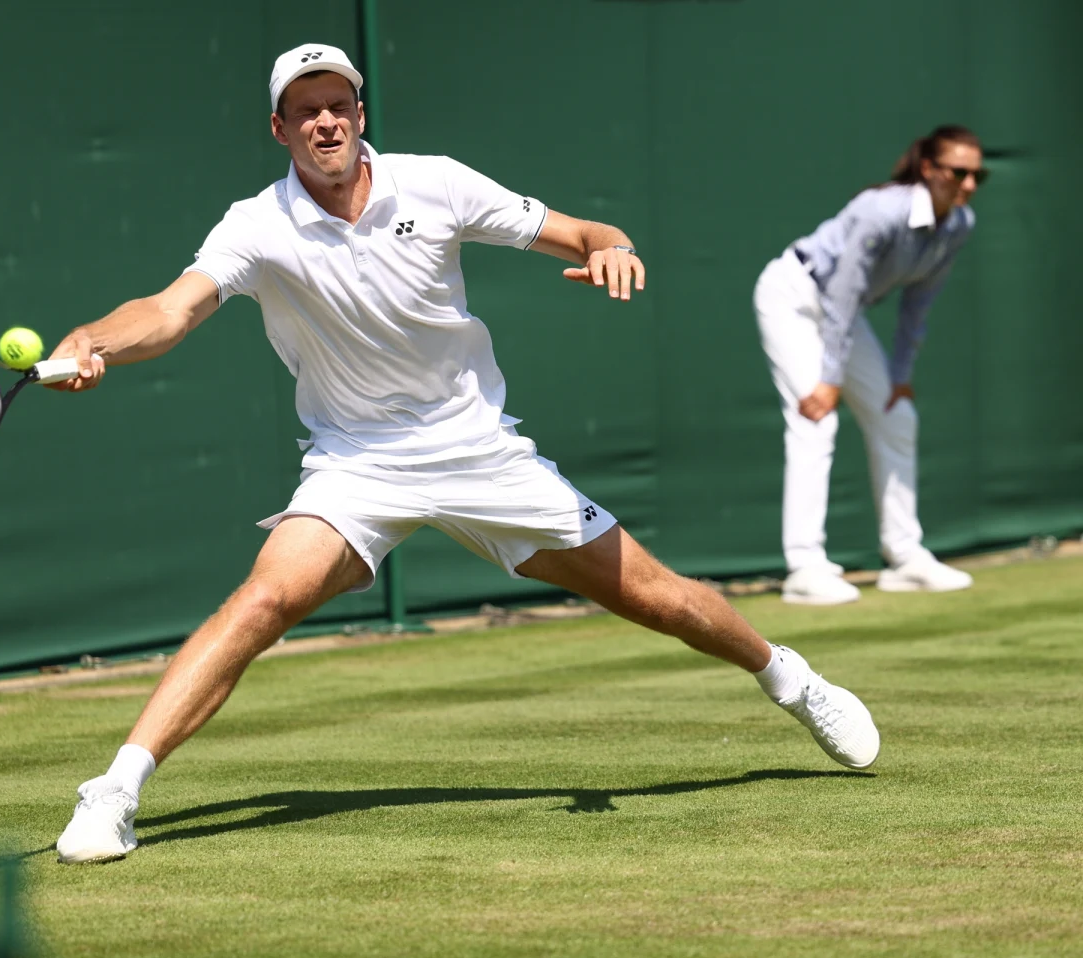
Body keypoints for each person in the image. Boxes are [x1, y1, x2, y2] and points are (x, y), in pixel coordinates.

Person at [54, 43, 879, 864]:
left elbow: (583, 230)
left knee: (656, 596)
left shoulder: (438, 182)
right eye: (306, 110)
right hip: (357, 462)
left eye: (338, 103)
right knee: (262, 601)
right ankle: (116, 792)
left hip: (479, 451)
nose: (326, 121)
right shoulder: (256, 225)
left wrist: (611, 245)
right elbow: (169, 312)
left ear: (361, 114)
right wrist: (94, 340)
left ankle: (791, 680)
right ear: (280, 129)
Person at [753, 125, 986, 605]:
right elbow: (842, 290)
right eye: (958, 173)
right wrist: (830, 378)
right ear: (928, 169)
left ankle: (904, 557)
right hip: (794, 296)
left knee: (897, 415)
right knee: (815, 419)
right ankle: (805, 567)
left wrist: (899, 377)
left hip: (842, 314)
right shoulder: (882, 211)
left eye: (977, 175)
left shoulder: (960, 224)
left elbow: (919, 303)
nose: (968, 185)